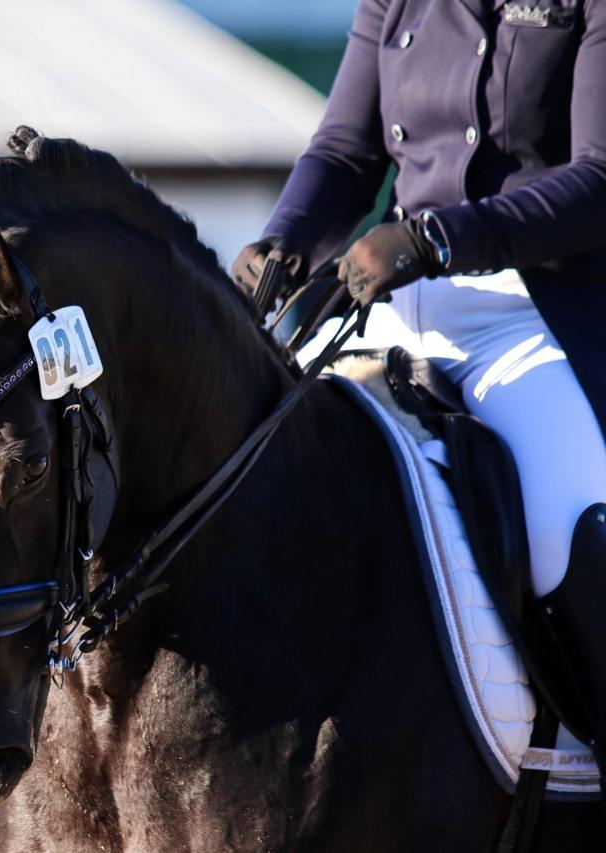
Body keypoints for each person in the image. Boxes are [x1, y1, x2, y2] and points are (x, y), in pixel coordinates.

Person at [233, 0, 606, 769]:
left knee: (561, 522)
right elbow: (343, 151)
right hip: (396, 303)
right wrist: (282, 242)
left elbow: (598, 178)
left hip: (531, 309)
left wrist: (440, 238)